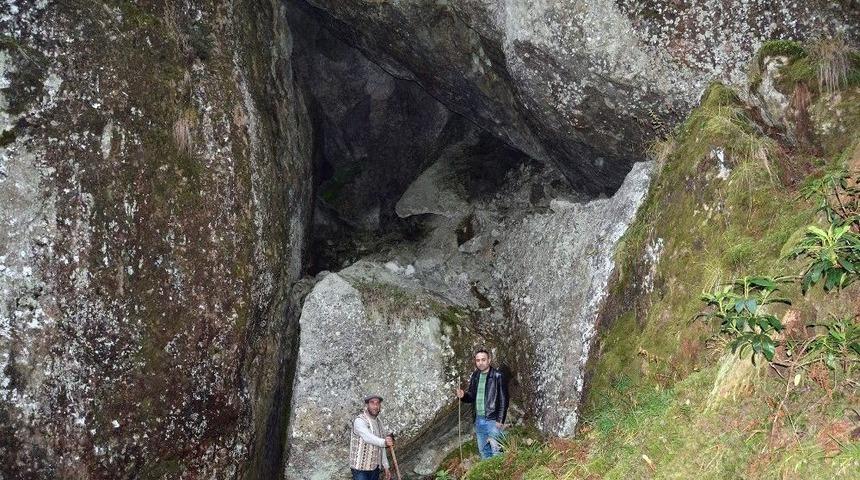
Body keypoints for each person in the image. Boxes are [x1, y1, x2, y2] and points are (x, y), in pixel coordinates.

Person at [456, 349, 509, 459]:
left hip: (493, 420)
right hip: (479, 419)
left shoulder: (498, 376)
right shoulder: (475, 376)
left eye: (483, 360)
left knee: (497, 451)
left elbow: (504, 400)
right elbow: (471, 396)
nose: (480, 363)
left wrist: (500, 420)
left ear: (489, 360)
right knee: (484, 451)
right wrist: (463, 395)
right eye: (478, 360)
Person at [349, 395, 394, 480]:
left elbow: (381, 447)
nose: (375, 406)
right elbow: (368, 437)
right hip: (360, 469)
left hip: (375, 468)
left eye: (377, 403)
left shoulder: (379, 423)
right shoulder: (360, 420)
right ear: (367, 405)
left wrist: (386, 466)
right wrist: (384, 442)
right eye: (372, 403)